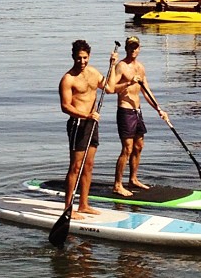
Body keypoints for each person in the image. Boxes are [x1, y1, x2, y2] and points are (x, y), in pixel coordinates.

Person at [59, 40, 118, 218]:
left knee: (89, 166)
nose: (82, 61)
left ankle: (83, 204)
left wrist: (112, 66)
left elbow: (110, 88)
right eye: (79, 58)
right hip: (78, 123)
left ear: (89, 56)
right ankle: (68, 208)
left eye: (85, 58)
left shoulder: (93, 72)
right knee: (75, 167)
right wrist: (86, 116)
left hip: (92, 123)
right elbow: (65, 106)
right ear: (73, 57)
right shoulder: (68, 79)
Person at [112, 36, 168, 195]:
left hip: (138, 111)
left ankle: (133, 179)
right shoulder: (121, 67)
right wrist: (129, 83)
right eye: (130, 47)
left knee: (139, 146)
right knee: (127, 148)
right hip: (125, 110)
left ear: (139, 48)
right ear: (126, 48)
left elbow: (146, 90)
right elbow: (111, 88)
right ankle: (117, 185)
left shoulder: (141, 68)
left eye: (135, 47)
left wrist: (159, 109)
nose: (133, 49)